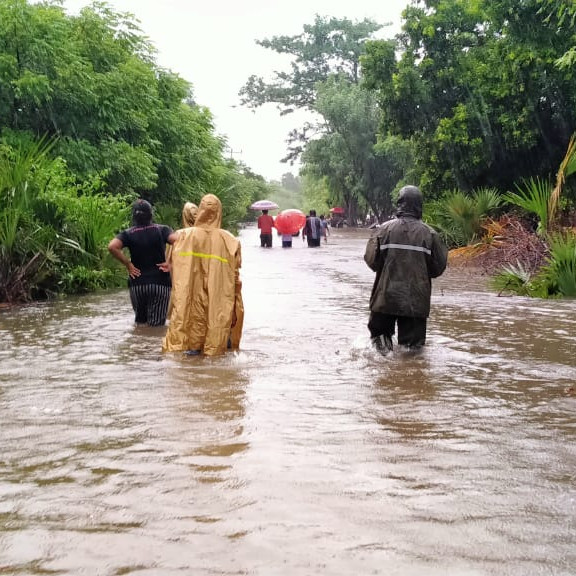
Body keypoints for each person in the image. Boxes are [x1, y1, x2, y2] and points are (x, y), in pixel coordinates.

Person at [364, 185, 448, 353]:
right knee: (412, 352)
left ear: (399, 203)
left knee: (380, 348)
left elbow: (371, 261)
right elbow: (438, 268)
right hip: (416, 302)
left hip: (384, 298)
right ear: (419, 205)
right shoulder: (430, 234)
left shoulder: (383, 230)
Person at [162, 193, 244, 356]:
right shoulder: (230, 240)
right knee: (213, 358)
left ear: (199, 210)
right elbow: (235, 277)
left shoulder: (181, 236)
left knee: (185, 363)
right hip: (217, 305)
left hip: (187, 308)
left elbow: (169, 267)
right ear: (219, 212)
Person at [108, 199, 174, 326]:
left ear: (134, 216)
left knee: (140, 324)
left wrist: (128, 264)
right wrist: (170, 261)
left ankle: (139, 345)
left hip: (137, 283)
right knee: (156, 327)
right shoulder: (162, 230)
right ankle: (151, 346)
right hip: (159, 282)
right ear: (151, 215)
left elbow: (112, 246)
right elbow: (180, 240)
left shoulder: (128, 233)